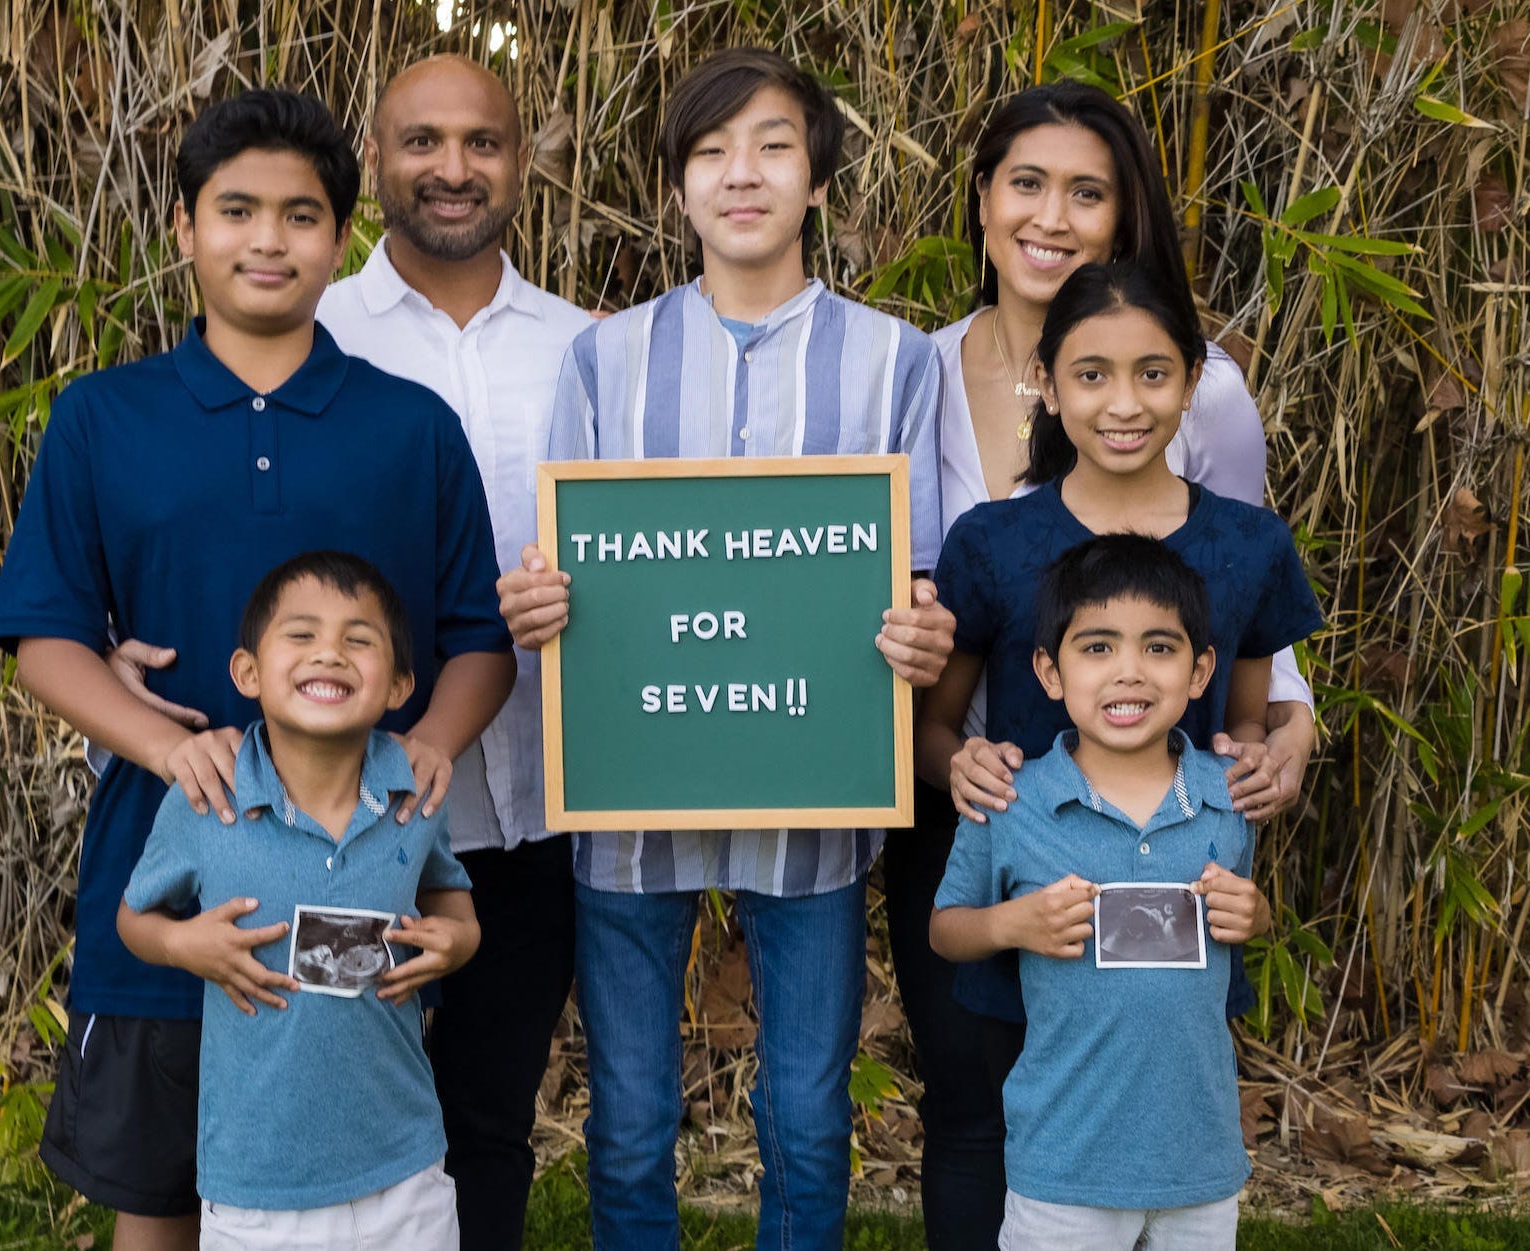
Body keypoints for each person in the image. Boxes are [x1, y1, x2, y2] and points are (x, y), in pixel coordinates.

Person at [0, 89, 513, 1251]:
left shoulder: (409, 427)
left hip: (349, 879)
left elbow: (480, 639)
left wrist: (432, 742)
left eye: (300, 214)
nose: (267, 239)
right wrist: (165, 742)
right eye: (236, 211)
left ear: (341, 238)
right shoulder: (103, 419)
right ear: (184, 229)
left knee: (342, 1175)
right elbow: (43, 635)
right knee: (162, 1197)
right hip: (177, 872)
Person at [105, 56, 591, 1251]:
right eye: (420, 139)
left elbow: (488, 618)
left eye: (484, 140)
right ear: (374, 172)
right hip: (246, 821)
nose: (453, 166)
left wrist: (429, 738)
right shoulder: (189, 377)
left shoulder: (578, 353)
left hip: (476, 812)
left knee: (471, 1122)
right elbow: (74, 611)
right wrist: (149, 711)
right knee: (204, 1136)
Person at [496, 47, 955, 1251]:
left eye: (770, 147)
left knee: (806, 1111)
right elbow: (569, 564)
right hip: (632, 789)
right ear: (678, 186)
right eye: (709, 152)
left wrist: (920, 626)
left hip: (815, 794)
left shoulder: (897, 360)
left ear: (817, 179)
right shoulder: (605, 358)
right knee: (632, 1116)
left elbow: (923, 567)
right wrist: (542, 607)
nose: (739, 176)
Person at [886, 81, 1315, 1248]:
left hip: (1166, 848)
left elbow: (1249, 682)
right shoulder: (913, 387)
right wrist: (950, 765)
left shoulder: (1218, 438)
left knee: (1138, 1088)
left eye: (1088, 191)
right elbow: (937, 698)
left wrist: (1285, 743)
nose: (1053, 213)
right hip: (997, 838)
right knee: (977, 1108)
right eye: (1028, 183)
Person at [117, 552, 480, 1250]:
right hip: (257, 1187)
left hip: (404, 1171)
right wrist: (183, 944)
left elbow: (454, 902)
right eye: (302, 634)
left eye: (358, 639)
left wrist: (456, 942)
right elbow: (133, 918)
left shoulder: (414, 798)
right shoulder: (206, 799)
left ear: (401, 683)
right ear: (248, 671)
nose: (330, 654)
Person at [930, 534, 1266, 1251]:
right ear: (1049, 671)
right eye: (1097, 648)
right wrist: (1014, 923)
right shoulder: (1010, 799)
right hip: (1063, 1164)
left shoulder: (1227, 799)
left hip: (1198, 1164)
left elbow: (1246, 907)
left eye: (1159, 648)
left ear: (1201, 669)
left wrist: (1255, 911)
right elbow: (945, 927)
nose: (1129, 673)